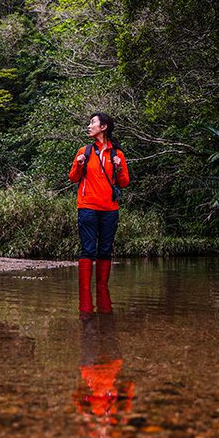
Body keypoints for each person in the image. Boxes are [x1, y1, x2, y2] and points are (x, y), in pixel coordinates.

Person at [68, 112, 130, 313]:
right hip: (87, 207)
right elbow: (73, 178)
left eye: (92, 122)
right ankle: (85, 300)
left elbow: (124, 182)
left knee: (105, 250)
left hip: (110, 210)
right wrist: (78, 162)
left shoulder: (117, 154)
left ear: (104, 127)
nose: (89, 126)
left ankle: (103, 295)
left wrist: (119, 169)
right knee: (87, 249)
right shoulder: (84, 151)